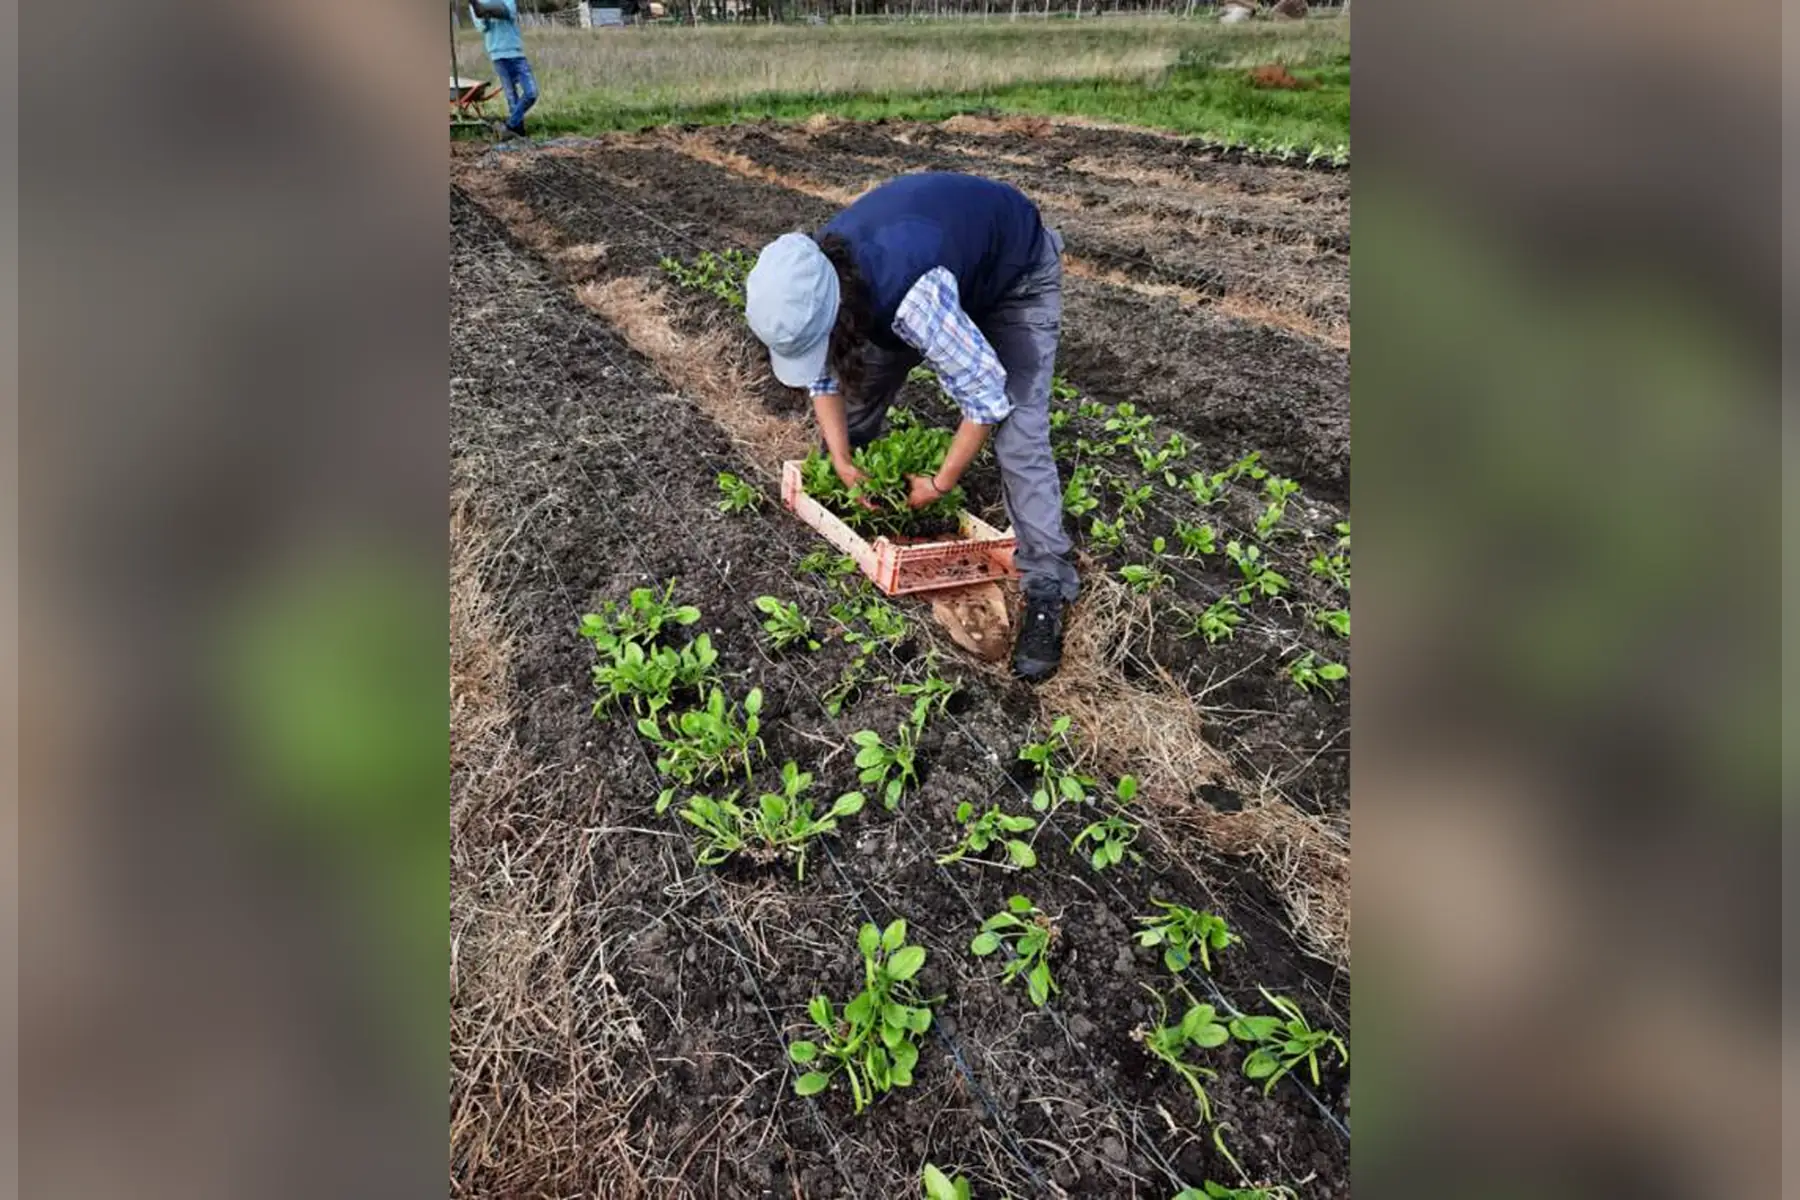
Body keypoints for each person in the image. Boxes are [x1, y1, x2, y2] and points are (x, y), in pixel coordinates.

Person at [744, 173, 1078, 682]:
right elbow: (825, 371)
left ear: (839, 310)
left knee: (1020, 432)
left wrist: (940, 484)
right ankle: (848, 500)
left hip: (1015, 273)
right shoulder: (814, 277)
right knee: (858, 389)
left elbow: (986, 396)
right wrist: (841, 460)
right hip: (936, 264)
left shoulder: (910, 295)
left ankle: (1047, 585)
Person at [469, 0, 537, 140]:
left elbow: (509, 12)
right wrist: (483, 14)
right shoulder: (475, 3)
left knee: (531, 93)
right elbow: (482, 27)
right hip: (497, 54)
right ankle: (518, 133)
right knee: (512, 97)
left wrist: (485, 10)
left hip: (516, 52)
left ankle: (509, 126)